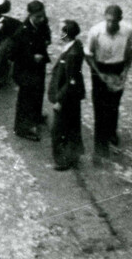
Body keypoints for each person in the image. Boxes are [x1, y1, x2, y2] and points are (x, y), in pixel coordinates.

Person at [85, 5, 132, 160]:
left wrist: (124, 73)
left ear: (120, 19)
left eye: (114, 21)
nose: (111, 24)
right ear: (105, 18)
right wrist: (100, 75)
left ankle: (111, 132)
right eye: (108, 21)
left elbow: (129, 53)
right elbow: (89, 55)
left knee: (114, 104)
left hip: (117, 68)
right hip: (100, 68)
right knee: (100, 108)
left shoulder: (127, 31)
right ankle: (100, 146)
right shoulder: (95, 31)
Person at [11, 0, 51, 141]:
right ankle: (22, 128)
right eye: (38, 17)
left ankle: (36, 117)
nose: (41, 19)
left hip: (39, 67)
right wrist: (32, 58)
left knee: (39, 91)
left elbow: (47, 34)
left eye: (42, 15)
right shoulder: (21, 32)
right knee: (25, 99)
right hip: (25, 70)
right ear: (30, 15)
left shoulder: (43, 22)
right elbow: (13, 54)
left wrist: (47, 41)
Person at [48, 20, 85, 171]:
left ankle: (62, 160)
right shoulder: (75, 46)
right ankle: (74, 154)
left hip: (67, 98)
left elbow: (70, 81)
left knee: (58, 130)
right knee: (72, 126)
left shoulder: (72, 55)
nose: (59, 34)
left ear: (66, 35)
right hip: (73, 96)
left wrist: (60, 101)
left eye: (61, 31)